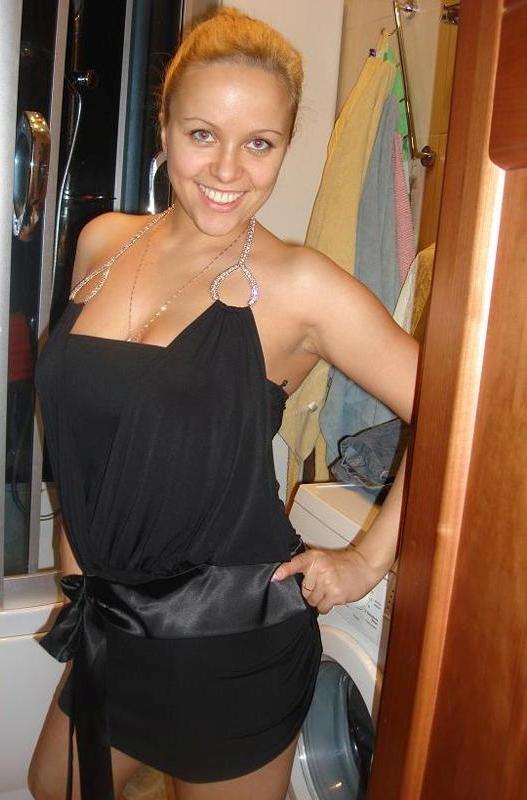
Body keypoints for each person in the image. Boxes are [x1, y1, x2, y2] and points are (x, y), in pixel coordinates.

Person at [28, 7, 418, 800]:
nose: (228, 171)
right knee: (51, 786)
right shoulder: (103, 241)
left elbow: (466, 418)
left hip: (229, 642)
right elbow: (93, 435)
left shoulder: (300, 286)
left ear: (285, 146)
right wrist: (77, 567)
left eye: (259, 143)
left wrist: (367, 558)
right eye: (203, 134)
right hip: (108, 620)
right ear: (164, 130)